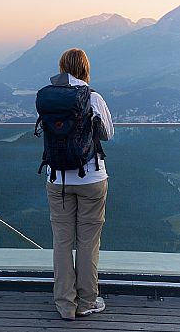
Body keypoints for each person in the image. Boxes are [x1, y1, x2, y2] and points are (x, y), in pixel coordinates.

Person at [45, 48, 114, 321]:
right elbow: (108, 134)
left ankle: (65, 305)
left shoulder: (50, 98)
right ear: (85, 68)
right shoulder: (93, 97)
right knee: (88, 242)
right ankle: (86, 301)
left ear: (62, 68)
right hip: (92, 178)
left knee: (62, 242)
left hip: (57, 178)